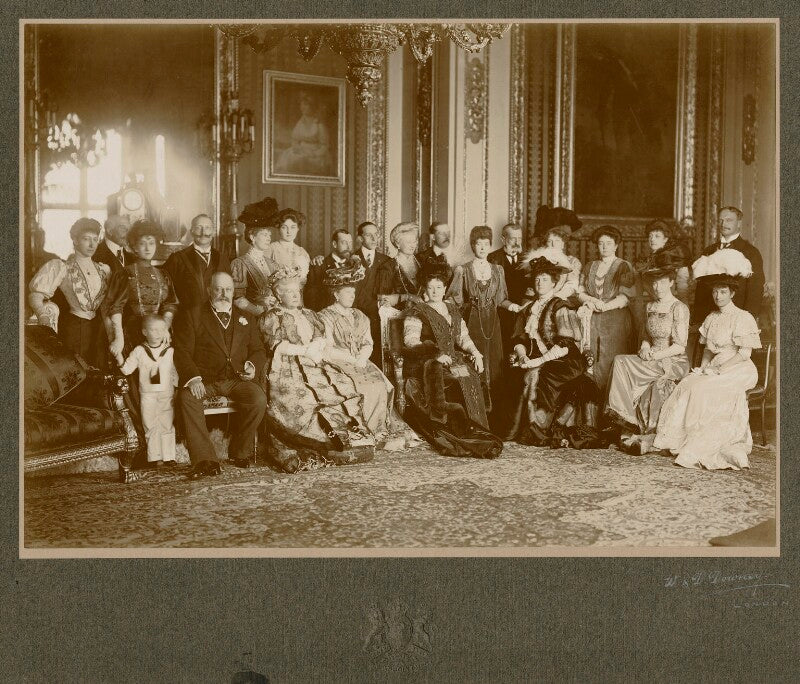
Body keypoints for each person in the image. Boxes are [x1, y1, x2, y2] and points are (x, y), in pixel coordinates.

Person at [258, 267, 375, 473]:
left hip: (314, 362)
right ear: (278, 295)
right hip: (287, 366)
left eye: (297, 291)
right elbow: (276, 345)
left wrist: (315, 347)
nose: (295, 295)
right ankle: (323, 440)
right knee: (304, 397)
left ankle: (349, 435)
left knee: (342, 386)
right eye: (289, 292)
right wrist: (304, 350)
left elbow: (321, 337)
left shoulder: (310, 314)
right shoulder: (272, 316)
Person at [654, 257, 761, 470]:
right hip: (715, 366)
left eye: (723, 292)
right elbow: (707, 350)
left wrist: (719, 369)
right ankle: (679, 439)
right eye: (715, 292)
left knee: (703, 389)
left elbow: (744, 353)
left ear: (732, 293)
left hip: (739, 368)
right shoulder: (712, 317)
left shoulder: (742, 317)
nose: (718, 296)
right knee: (688, 384)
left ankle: (701, 443)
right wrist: (704, 368)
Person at [401, 263, 502, 459]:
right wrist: (435, 353)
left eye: (439, 287)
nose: (435, 291)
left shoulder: (452, 309)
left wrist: (476, 353)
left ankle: (477, 429)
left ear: (445, 288)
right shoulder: (417, 311)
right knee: (455, 382)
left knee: (471, 377)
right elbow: (410, 341)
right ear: (425, 290)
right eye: (431, 287)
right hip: (428, 363)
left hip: (453, 359)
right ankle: (461, 432)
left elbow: (462, 337)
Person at [173, 272, 267, 478]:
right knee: (187, 398)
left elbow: (258, 350)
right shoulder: (193, 315)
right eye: (218, 289)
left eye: (228, 289)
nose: (224, 294)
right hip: (205, 380)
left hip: (236, 380)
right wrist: (193, 378)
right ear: (209, 290)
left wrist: (252, 366)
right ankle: (205, 460)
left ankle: (239, 451)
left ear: (233, 292)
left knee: (258, 398)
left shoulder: (246, 318)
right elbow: (182, 351)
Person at [606, 250, 691, 455]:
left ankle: (626, 418)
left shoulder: (679, 308)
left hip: (672, 360)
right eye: (654, 283)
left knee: (622, 362)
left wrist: (656, 355)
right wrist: (645, 346)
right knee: (619, 361)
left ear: (671, 282)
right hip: (652, 355)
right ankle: (625, 417)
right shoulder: (650, 306)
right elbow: (645, 334)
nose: (657, 287)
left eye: (662, 282)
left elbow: (680, 346)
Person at [502, 256, 587, 444]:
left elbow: (565, 344)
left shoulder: (560, 306)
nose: (540, 283)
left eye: (545, 279)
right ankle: (516, 429)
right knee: (512, 377)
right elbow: (519, 339)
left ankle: (539, 430)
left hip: (565, 361)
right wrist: (522, 356)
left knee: (537, 376)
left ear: (554, 283)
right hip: (535, 359)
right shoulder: (528, 309)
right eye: (537, 279)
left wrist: (537, 362)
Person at [318, 257, 393, 439]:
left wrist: (362, 357)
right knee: (360, 387)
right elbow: (327, 348)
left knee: (381, 384)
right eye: (347, 292)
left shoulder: (360, 315)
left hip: (360, 360)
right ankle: (360, 429)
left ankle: (377, 428)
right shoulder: (325, 316)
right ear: (336, 294)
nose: (352, 296)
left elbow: (368, 342)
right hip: (336, 361)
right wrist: (352, 360)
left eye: (353, 292)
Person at [28, 217, 111, 367]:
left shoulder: (104, 269)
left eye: (95, 239)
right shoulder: (61, 267)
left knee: (98, 372)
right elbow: (35, 295)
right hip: (74, 329)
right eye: (86, 239)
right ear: (75, 240)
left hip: (98, 330)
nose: (92, 244)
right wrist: (42, 315)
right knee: (77, 370)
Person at [448, 225, 520, 395]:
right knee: (474, 361)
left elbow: (501, 299)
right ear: (473, 246)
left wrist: (514, 306)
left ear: (490, 245)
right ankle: (476, 401)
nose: (482, 248)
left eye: (486, 244)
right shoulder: (463, 270)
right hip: (471, 321)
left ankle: (494, 403)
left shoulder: (498, 270)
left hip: (493, 324)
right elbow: (453, 300)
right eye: (478, 244)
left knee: (494, 362)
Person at [104, 220, 179, 365]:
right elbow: (116, 307)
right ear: (134, 247)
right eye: (142, 243)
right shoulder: (125, 273)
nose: (147, 248)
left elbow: (170, 304)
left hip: (159, 333)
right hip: (134, 333)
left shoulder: (163, 274)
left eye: (151, 243)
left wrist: (164, 328)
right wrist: (119, 338)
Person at [576, 225, 636, 399]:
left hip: (616, 321)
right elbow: (579, 292)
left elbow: (626, 297)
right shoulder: (590, 266)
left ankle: (613, 405)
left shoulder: (623, 266)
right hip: (592, 320)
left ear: (616, 245)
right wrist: (592, 301)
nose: (604, 247)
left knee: (612, 360)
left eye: (609, 243)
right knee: (591, 359)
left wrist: (606, 306)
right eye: (601, 243)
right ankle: (592, 405)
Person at [119, 314, 178, 468]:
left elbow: (175, 372)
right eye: (153, 330)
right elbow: (126, 369)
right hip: (148, 395)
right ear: (144, 332)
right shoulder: (139, 351)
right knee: (150, 424)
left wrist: (177, 388)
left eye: (161, 330)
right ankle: (154, 457)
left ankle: (169, 456)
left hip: (166, 394)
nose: (158, 333)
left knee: (167, 424)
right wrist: (118, 356)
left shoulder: (170, 351)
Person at [692, 206, 765, 327]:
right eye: (721, 220)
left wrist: (747, 321)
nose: (723, 224)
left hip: (737, 321)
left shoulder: (751, 252)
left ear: (739, 223)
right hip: (709, 320)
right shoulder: (709, 251)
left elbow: (755, 291)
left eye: (728, 220)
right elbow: (701, 291)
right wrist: (698, 320)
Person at [164, 214, 231, 308]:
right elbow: (167, 294)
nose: (203, 232)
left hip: (216, 314)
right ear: (191, 231)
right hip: (187, 315)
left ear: (213, 232)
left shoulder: (222, 258)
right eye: (198, 228)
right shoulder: (177, 259)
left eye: (207, 228)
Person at [231, 197, 280, 317]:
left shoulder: (272, 264)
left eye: (269, 235)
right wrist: (261, 313)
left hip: (273, 316)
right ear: (252, 237)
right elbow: (238, 299)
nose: (269, 238)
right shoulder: (239, 264)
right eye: (264, 234)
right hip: (252, 318)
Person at [353, 221, 393, 365]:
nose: (374, 238)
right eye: (369, 235)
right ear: (360, 238)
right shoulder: (350, 259)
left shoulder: (386, 261)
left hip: (378, 319)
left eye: (376, 234)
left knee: (377, 358)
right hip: (356, 317)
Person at [525, 206, 583, 299]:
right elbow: (531, 286)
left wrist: (551, 298)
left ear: (563, 243)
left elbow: (571, 286)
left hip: (559, 300)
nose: (553, 244)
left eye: (557, 241)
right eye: (550, 241)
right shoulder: (537, 260)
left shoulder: (573, 262)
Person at [488, 223, 527, 356]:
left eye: (519, 238)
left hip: (523, 310)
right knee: (502, 348)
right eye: (513, 238)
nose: (517, 242)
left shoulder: (528, 259)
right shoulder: (492, 259)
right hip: (500, 312)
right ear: (503, 239)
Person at [276, 92, 332, 176]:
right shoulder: (300, 123)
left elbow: (325, 145)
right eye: (301, 105)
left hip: (315, 154)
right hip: (301, 151)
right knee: (291, 159)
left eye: (306, 105)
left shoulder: (319, 124)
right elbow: (295, 140)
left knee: (309, 163)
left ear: (312, 107)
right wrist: (298, 149)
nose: (302, 107)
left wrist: (314, 154)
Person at [305, 228, 354, 311]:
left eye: (350, 243)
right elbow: (311, 298)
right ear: (334, 244)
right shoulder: (319, 265)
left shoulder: (354, 266)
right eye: (344, 242)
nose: (349, 247)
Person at [379, 222, 423, 308]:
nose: (413, 245)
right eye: (408, 242)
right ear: (398, 244)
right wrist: (408, 297)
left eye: (414, 241)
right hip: (398, 313)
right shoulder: (388, 267)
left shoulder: (422, 263)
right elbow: (382, 299)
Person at [265, 208, 311, 285]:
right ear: (278, 228)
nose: (289, 231)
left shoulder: (302, 252)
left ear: (298, 229)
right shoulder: (270, 249)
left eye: (293, 227)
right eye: (284, 227)